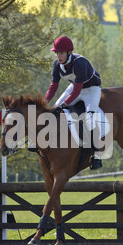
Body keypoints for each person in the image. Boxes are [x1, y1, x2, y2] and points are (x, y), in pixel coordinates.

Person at [45, 36, 102, 170]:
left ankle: (96, 156)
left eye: (61, 53)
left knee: (89, 119)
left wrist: (64, 105)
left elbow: (77, 92)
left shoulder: (79, 63)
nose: (58, 56)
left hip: (91, 90)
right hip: (74, 87)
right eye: (56, 53)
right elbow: (53, 87)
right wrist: (44, 102)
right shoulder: (57, 65)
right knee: (54, 111)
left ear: (69, 52)